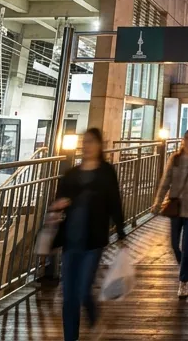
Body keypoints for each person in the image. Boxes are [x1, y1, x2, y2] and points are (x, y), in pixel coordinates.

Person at [48, 128, 124, 340]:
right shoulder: (71, 175)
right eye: (85, 142)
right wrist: (57, 206)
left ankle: (93, 318)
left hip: (93, 241)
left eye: (91, 141)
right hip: (70, 240)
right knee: (69, 297)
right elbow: (57, 202)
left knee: (83, 290)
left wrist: (121, 231)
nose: (87, 145)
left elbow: (114, 202)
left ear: (100, 145)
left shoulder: (106, 172)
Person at [153, 128, 188, 299]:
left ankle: (184, 280)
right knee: (174, 244)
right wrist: (158, 202)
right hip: (176, 206)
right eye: (186, 138)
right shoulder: (175, 158)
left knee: (187, 244)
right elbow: (166, 180)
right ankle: (185, 266)